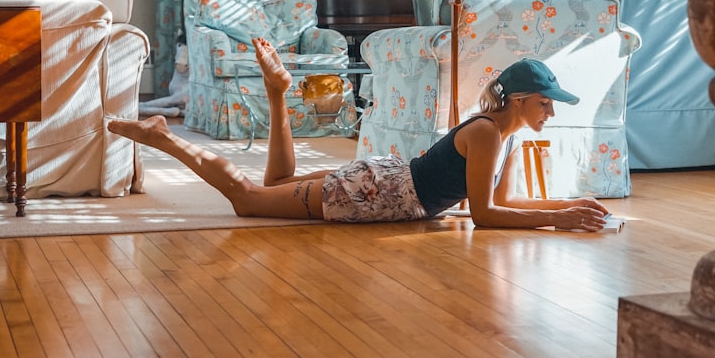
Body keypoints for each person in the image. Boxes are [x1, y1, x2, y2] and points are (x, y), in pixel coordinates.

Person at [108, 38, 610, 231]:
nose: (551, 111)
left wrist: (569, 207)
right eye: (546, 102)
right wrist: (560, 221)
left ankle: (278, 91)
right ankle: (163, 137)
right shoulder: (486, 134)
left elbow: (501, 203)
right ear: (520, 100)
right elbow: (482, 216)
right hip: (378, 192)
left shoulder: (506, 137)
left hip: (386, 182)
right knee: (246, 199)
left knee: (278, 178)